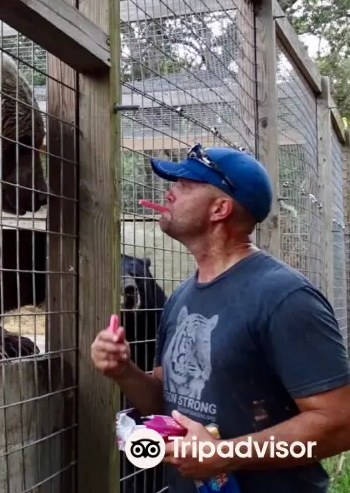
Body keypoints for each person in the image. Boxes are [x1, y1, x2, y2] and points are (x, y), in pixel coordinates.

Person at [91, 143, 350, 492]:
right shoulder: (182, 297)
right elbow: (166, 398)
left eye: (184, 185)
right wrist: (123, 370)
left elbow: (340, 424)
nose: (169, 193)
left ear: (220, 208)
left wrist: (228, 454)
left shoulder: (284, 297)